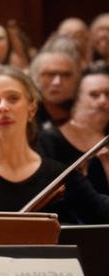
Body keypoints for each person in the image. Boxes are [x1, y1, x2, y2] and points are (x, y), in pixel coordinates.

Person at [0, 65, 109, 223]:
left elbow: (102, 214)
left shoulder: (58, 174)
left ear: (32, 108)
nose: (3, 107)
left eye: (13, 98)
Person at [36, 65, 109, 194]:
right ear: (77, 100)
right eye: (94, 95)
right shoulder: (49, 139)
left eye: (108, 95)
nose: (103, 101)